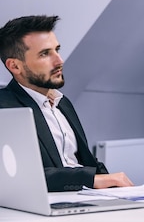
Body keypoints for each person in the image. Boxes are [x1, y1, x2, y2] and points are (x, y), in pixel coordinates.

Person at [0, 15, 134, 192]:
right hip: (45, 207)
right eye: (45, 54)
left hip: (87, 199)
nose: (59, 61)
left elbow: (86, 162)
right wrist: (89, 179)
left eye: (57, 50)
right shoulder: (5, 108)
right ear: (15, 66)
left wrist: (121, 189)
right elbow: (20, 176)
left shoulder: (63, 103)